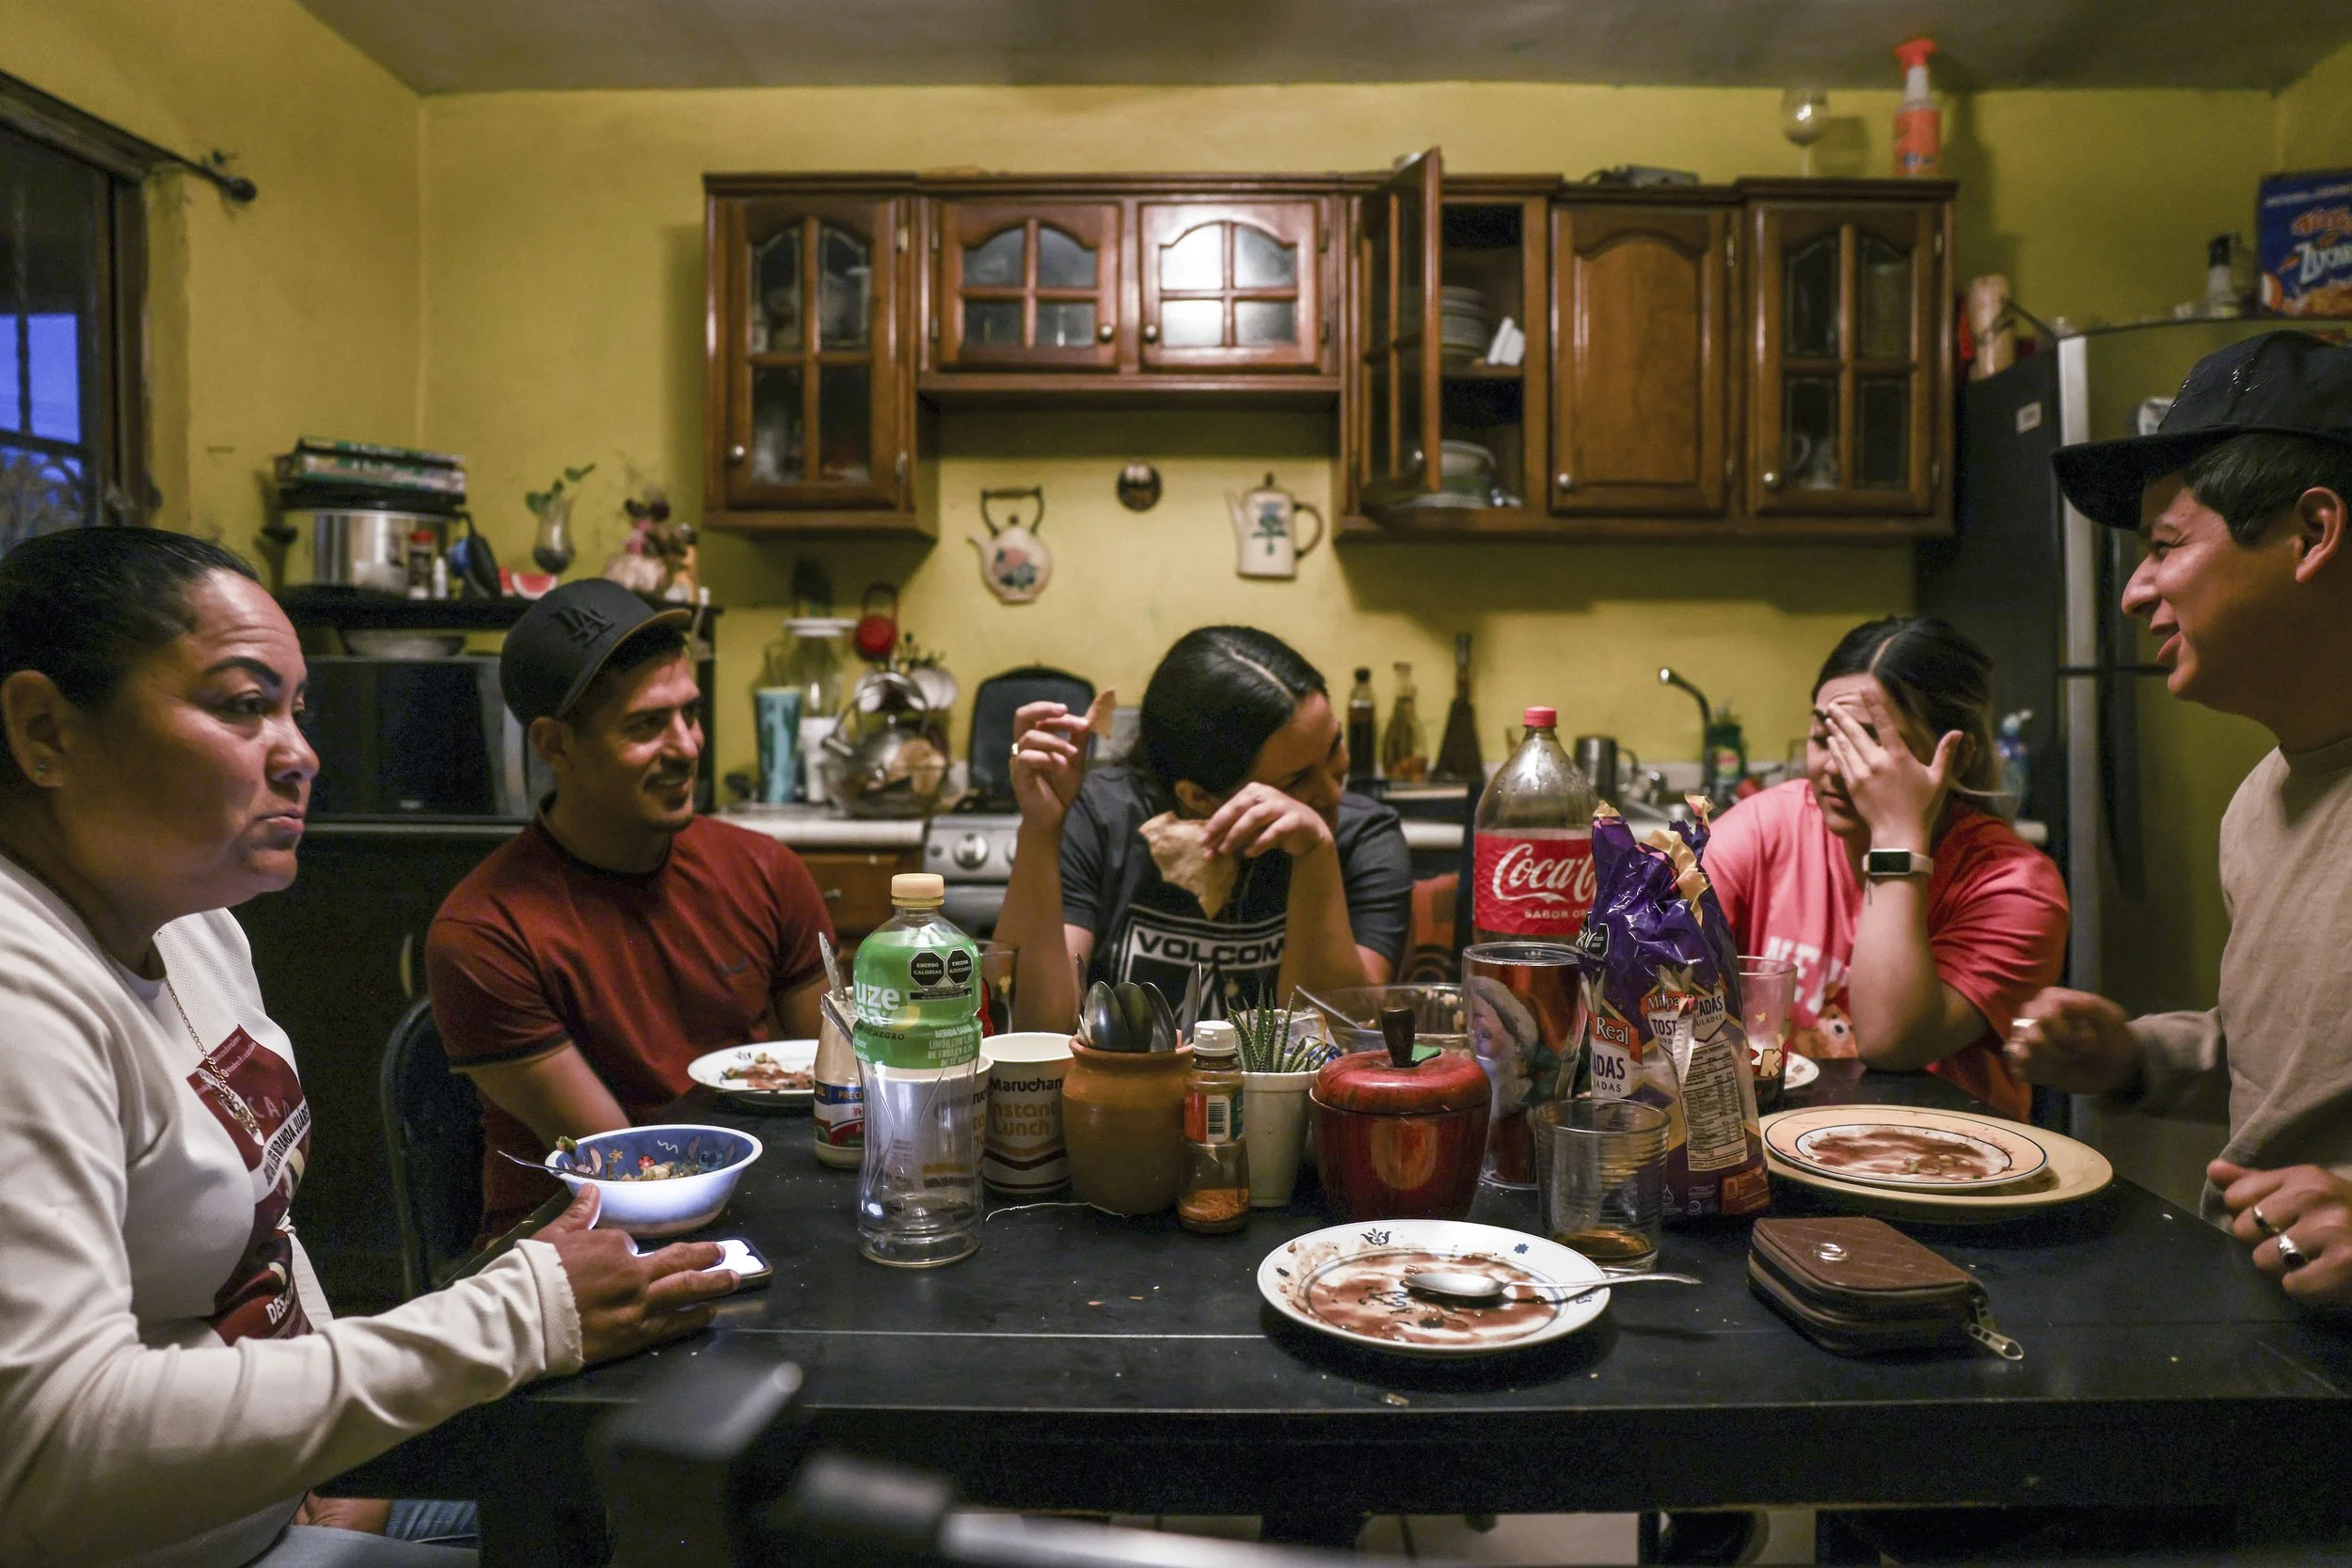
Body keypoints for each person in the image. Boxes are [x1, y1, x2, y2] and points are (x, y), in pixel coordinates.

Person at [0, 529, 733, 1568]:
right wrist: (513, 1312)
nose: (299, 751)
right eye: (244, 704)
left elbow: (264, 1237)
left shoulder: (194, 922)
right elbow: (54, 1451)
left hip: (287, 1503)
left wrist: (343, 1472)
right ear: (44, 732)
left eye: (298, 708)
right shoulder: (20, 1000)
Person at [2011, 329, 2352, 1309]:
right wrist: (2134, 1055)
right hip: (2259, 1317)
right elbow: (2297, 1056)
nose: (2130, 592)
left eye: (2164, 546)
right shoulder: (2262, 798)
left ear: (2313, 532)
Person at [426, 580, 834, 1235]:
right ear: (555, 745)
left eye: (690, 713)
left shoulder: (763, 870)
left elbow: (835, 1086)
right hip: (574, 1243)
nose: (687, 746)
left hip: (756, 1205)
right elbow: (624, 1167)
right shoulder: (484, 932)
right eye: (646, 725)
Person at [1704, 616, 2069, 1118]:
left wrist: (1897, 836)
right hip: (1777, 1151)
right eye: (1825, 736)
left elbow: (1890, 1042)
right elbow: (1659, 977)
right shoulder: (1767, 828)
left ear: (1955, 758)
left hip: (1945, 1168)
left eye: (1870, 743)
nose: (1834, 765)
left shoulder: (2016, 887)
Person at [998, 626, 1410, 1032]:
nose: (1332, 792)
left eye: (1334, 745)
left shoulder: (1363, 836)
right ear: (1197, 797)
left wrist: (1316, 853)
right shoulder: (1103, 818)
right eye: (1295, 782)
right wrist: (1041, 831)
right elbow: (1042, 1028)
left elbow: (1344, 1036)